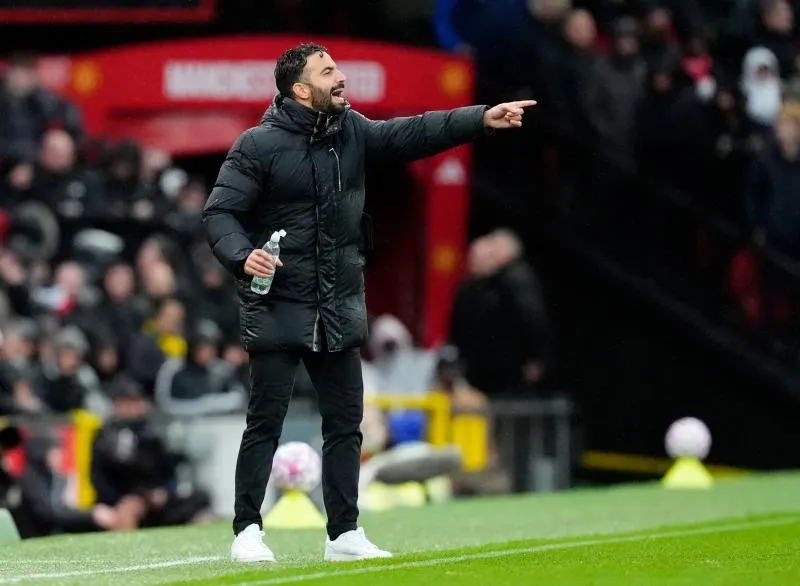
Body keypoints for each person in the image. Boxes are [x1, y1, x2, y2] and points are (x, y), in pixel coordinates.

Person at [202, 42, 536, 563]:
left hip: (338, 305)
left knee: (346, 424)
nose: (340, 77)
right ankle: (247, 530)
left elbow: (416, 132)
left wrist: (480, 120)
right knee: (265, 422)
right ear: (300, 90)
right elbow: (219, 213)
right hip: (279, 304)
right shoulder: (256, 145)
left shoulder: (352, 132)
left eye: (336, 68)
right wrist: (243, 255)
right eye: (327, 71)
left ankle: (344, 534)